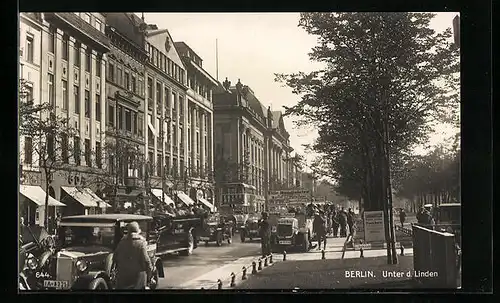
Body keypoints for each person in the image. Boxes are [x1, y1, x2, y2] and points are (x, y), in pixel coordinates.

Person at [113, 221, 153, 289]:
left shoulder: (122, 242)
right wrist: (149, 277)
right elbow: (146, 261)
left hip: (122, 275)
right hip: (137, 276)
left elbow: (115, 257)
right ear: (138, 231)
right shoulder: (141, 243)